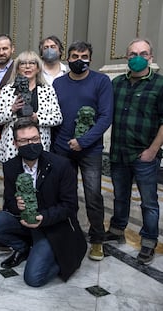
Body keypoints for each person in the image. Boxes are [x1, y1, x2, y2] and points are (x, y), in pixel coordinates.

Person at [0, 119, 86, 287]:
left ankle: (64, 254)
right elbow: (9, 202)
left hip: (51, 225)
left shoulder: (61, 165)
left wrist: (43, 218)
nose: (30, 144)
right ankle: (22, 247)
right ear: (16, 144)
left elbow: (70, 206)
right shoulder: (10, 166)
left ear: (41, 139)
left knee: (33, 279)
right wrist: (18, 205)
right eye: (24, 141)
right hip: (24, 219)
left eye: (34, 139)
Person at [52, 41, 113, 261]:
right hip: (61, 149)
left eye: (84, 56)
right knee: (63, 195)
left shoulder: (101, 81)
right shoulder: (58, 83)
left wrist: (83, 141)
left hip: (90, 150)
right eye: (75, 56)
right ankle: (67, 232)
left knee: (93, 195)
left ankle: (97, 240)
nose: (79, 60)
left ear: (90, 58)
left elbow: (106, 116)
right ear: (67, 59)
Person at [105, 38, 163, 265]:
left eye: (143, 53)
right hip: (119, 152)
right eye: (132, 54)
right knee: (120, 196)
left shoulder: (159, 85)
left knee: (148, 202)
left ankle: (148, 242)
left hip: (144, 155)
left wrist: (152, 150)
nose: (137, 57)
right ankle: (117, 229)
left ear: (151, 57)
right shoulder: (117, 83)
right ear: (127, 57)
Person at [0, 50, 62, 163]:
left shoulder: (47, 90)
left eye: (32, 63)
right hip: (12, 146)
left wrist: (37, 118)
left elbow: (57, 118)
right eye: (23, 63)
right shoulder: (7, 90)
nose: (27, 67)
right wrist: (12, 109)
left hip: (39, 145)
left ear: (38, 68)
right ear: (18, 68)